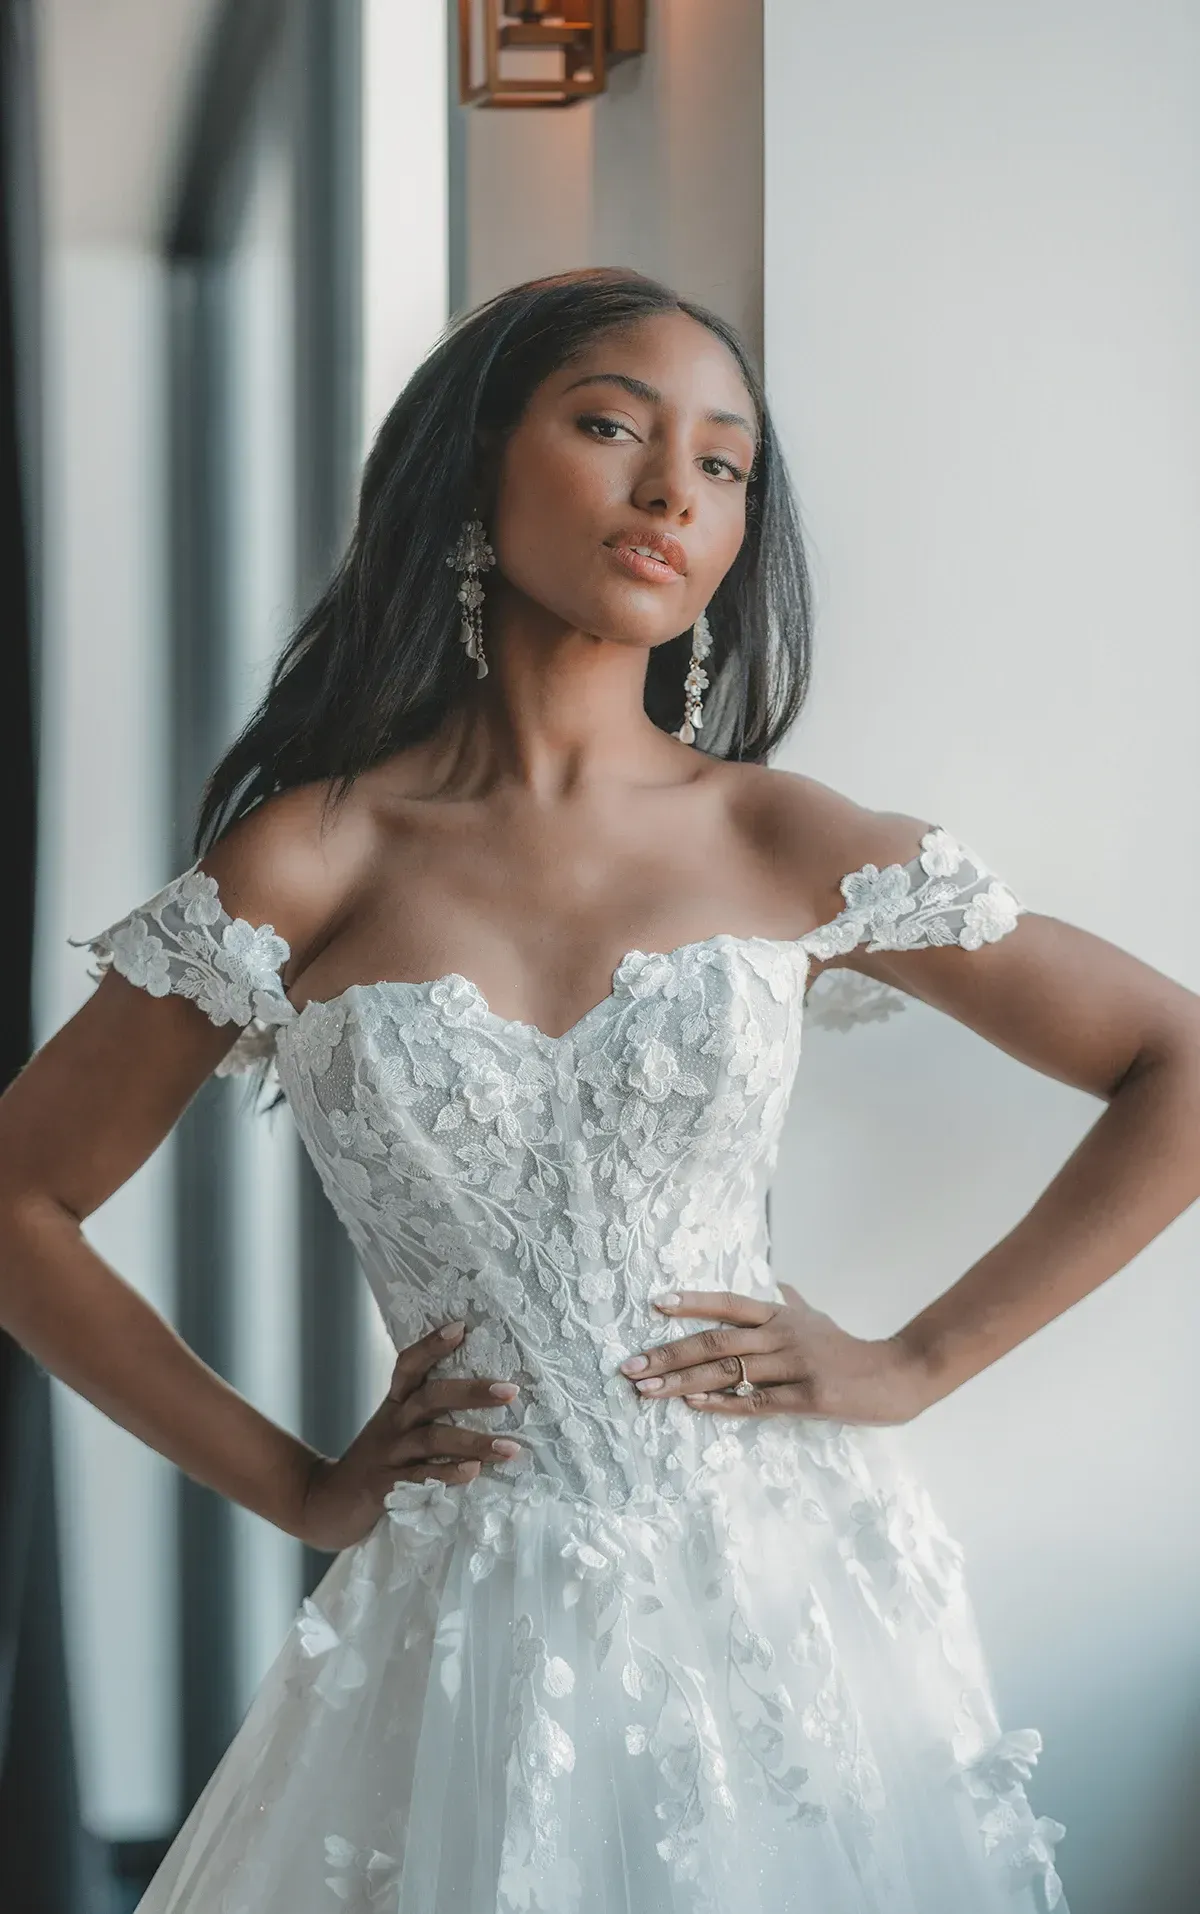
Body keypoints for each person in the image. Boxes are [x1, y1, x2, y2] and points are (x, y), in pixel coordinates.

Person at [2, 267, 1198, 1914]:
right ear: (477, 464)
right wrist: (296, 1486)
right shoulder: (313, 857)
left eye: (723, 463)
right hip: (462, 1620)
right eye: (613, 427)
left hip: (780, 1607)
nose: (671, 493)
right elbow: (20, 1201)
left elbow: (1175, 1060)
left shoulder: (781, 839)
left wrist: (917, 1360)